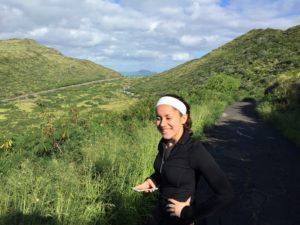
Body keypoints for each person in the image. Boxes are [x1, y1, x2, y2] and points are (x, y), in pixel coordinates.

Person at [133, 94, 234, 225]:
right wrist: (151, 181)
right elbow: (167, 170)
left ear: (183, 118)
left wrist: (188, 212)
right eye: (158, 118)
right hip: (162, 216)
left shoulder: (194, 151)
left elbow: (226, 194)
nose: (162, 124)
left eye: (168, 117)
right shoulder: (164, 143)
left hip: (183, 221)